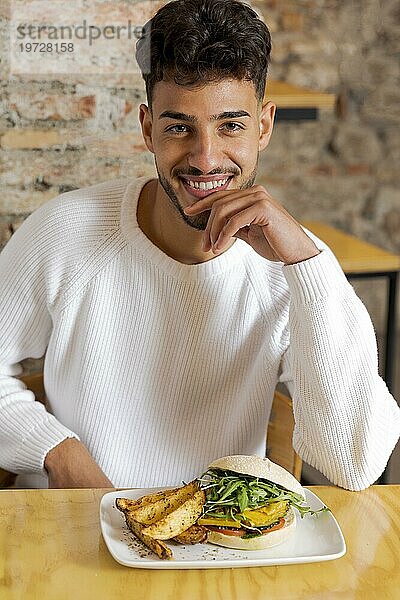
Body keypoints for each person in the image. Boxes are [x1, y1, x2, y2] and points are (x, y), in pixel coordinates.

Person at [0, 0, 399, 490]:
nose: (205, 158)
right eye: (178, 127)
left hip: (220, 542)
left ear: (264, 127)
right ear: (148, 129)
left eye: (230, 125)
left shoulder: (294, 266)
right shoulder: (65, 232)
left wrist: (307, 266)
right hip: (72, 534)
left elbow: (354, 464)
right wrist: (57, 452)